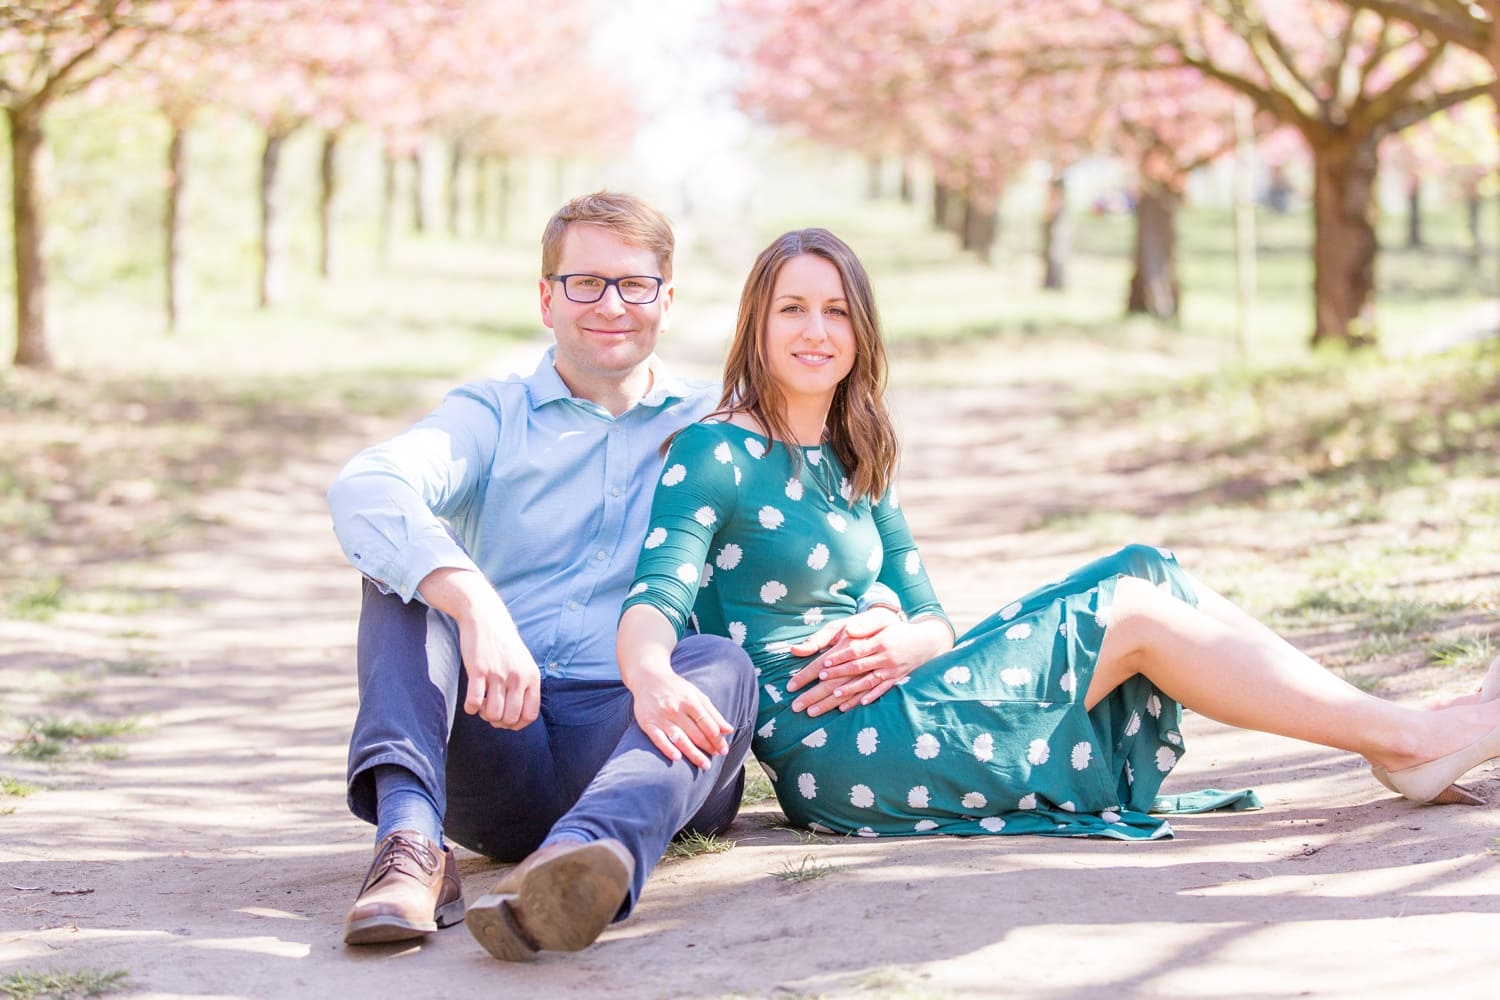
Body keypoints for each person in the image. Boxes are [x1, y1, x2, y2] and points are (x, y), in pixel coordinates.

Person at [617, 227, 1500, 842]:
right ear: (756, 326)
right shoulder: (714, 452)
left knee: (1145, 567)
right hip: (837, 755)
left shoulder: (857, 449)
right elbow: (655, 598)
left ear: (862, 331)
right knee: (1136, 618)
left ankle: (1401, 733)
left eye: (838, 311)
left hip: (896, 699)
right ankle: (1409, 737)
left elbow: (933, 616)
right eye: (793, 310)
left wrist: (904, 638)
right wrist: (652, 675)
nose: (817, 331)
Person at [326, 192, 767, 962]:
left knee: (719, 664)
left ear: (667, 299)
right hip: (504, 732)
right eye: (584, 282)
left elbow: (829, 536)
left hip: (643, 738)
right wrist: (474, 604)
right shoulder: (492, 416)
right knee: (402, 580)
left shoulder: (718, 425)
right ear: (546, 298)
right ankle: (409, 848)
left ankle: (580, 865)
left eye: (634, 284)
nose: (610, 305)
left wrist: (900, 621)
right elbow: (367, 487)